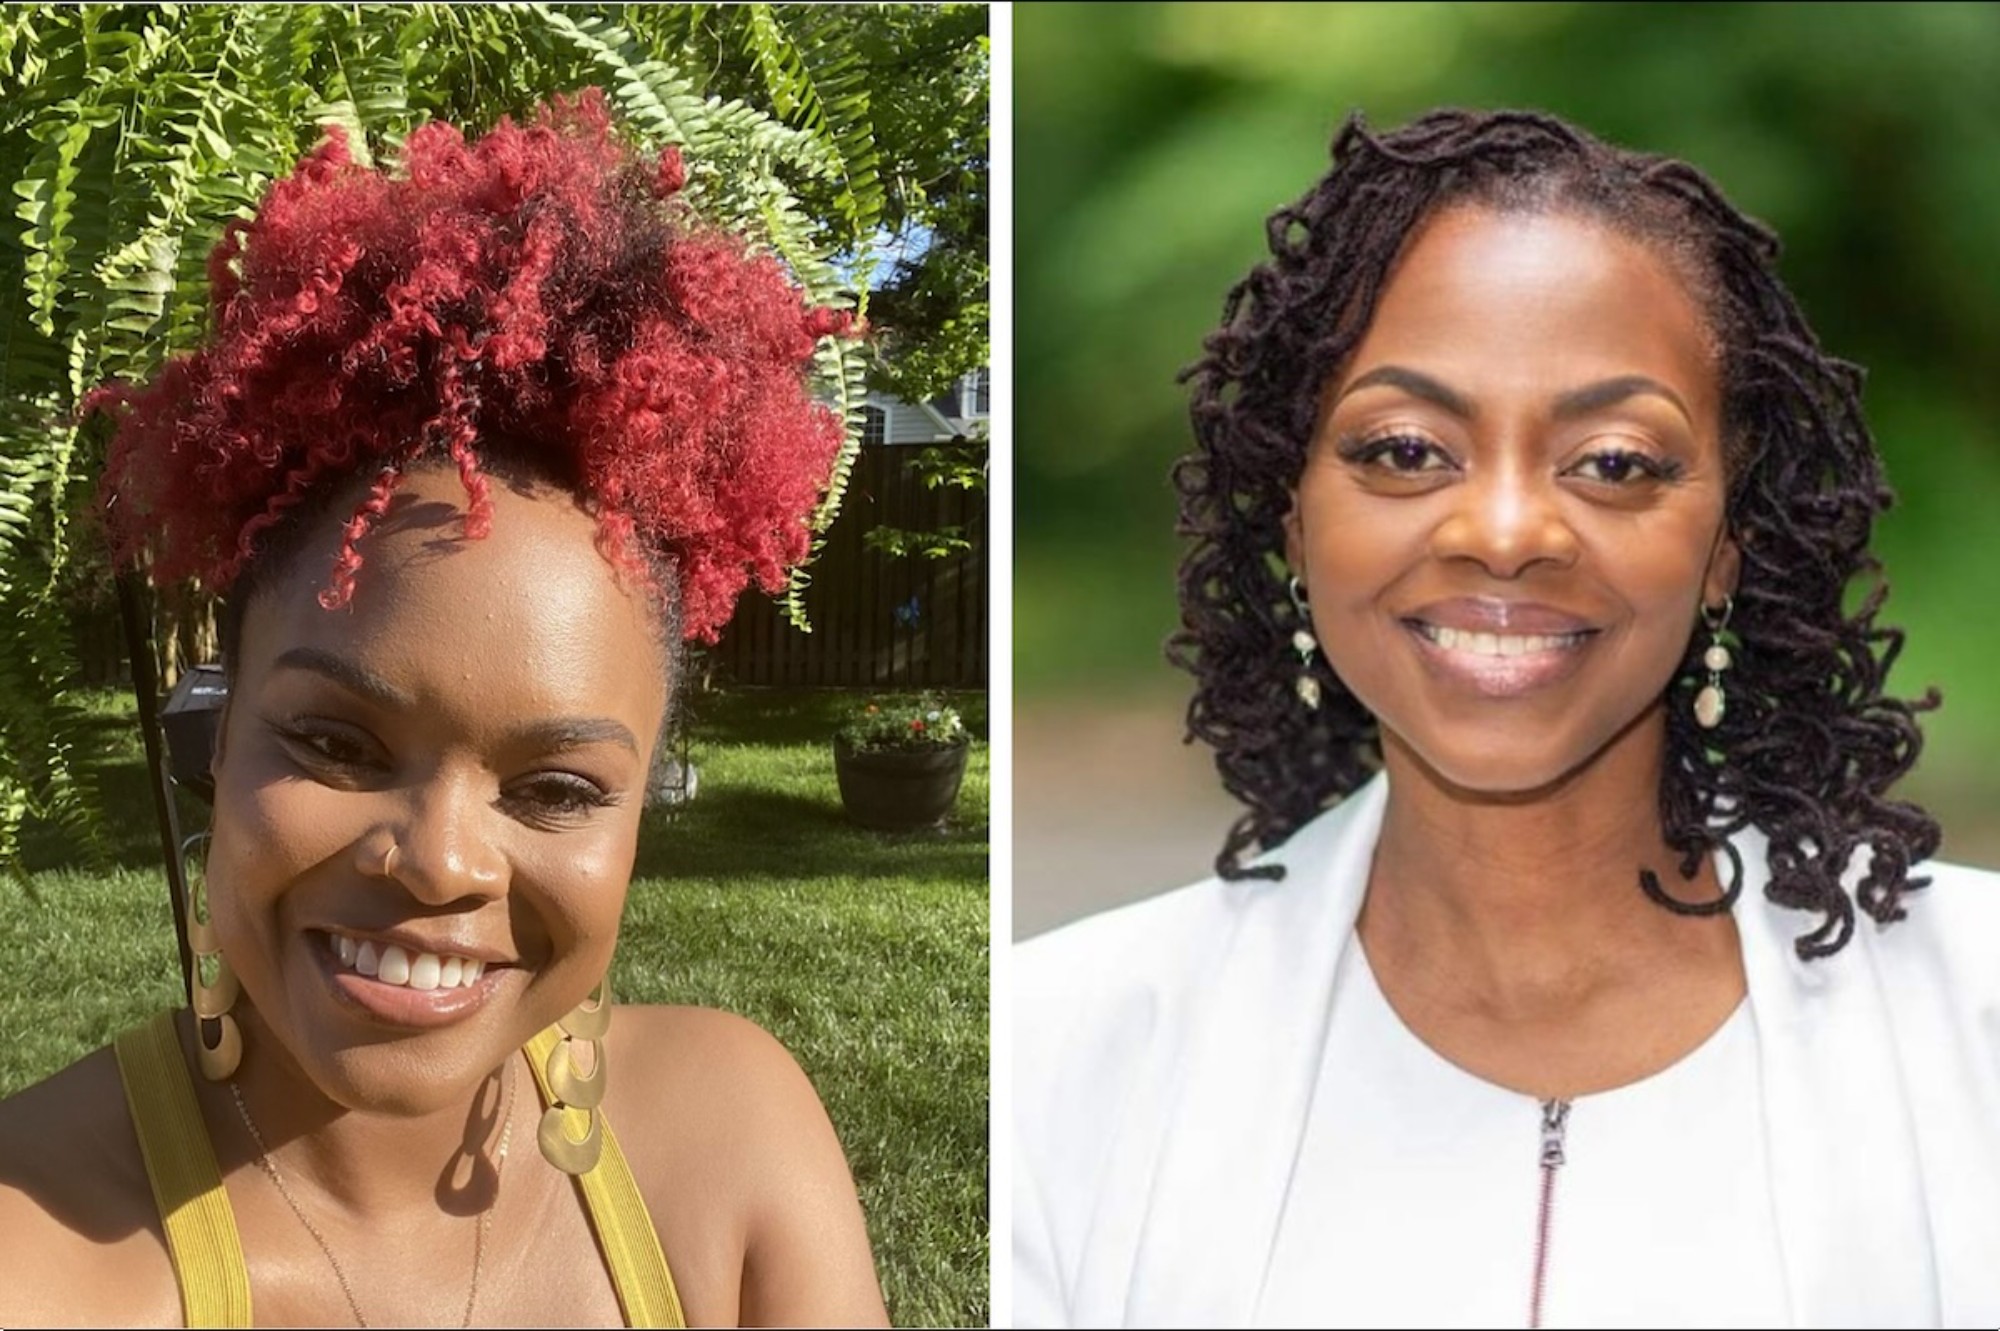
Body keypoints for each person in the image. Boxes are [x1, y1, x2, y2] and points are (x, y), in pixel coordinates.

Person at [1014, 108, 2000, 1329]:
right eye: (1406, 447)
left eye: (1615, 462)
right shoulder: (1059, 1055)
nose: (1502, 530)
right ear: (1292, 517)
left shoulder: (1975, 1022)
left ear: (1725, 548)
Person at [0, 93, 889, 1327]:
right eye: (335, 742)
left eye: (555, 787)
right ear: (220, 721)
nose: (438, 860)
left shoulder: (732, 1141)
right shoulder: (36, 1248)